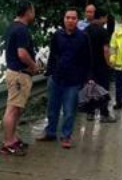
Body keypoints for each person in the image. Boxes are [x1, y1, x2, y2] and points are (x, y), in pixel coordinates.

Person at [38, 9, 92, 148]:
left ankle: (66, 137)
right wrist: (49, 73)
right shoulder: (57, 35)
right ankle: (50, 132)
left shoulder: (83, 37)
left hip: (73, 81)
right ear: (64, 19)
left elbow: (87, 59)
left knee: (69, 111)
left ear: (77, 20)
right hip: (56, 78)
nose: (70, 20)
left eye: (73, 18)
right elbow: (53, 55)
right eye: (68, 17)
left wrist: (87, 78)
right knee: (52, 109)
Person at [1, 1, 39, 156]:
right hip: (19, 74)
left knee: (16, 109)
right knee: (12, 109)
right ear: (28, 11)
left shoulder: (12, 27)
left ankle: (13, 138)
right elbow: (22, 53)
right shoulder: (22, 30)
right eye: (33, 10)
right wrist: (33, 66)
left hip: (14, 71)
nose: (34, 13)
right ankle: (8, 143)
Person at [84, 10, 116, 122]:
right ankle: (104, 114)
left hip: (88, 66)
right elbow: (106, 50)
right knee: (103, 90)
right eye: (106, 18)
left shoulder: (86, 30)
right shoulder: (103, 31)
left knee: (90, 89)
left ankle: (90, 113)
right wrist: (109, 64)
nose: (106, 21)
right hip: (101, 66)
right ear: (102, 17)